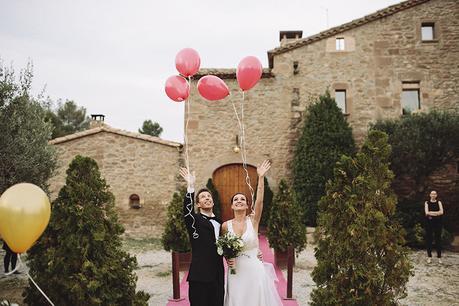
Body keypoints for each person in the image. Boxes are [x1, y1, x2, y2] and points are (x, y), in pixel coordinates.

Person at [222, 160, 282, 306]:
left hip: (254, 268)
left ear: (248, 205)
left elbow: (260, 201)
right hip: (236, 271)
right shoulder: (225, 226)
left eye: (242, 199)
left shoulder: (253, 221)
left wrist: (261, 178)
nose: (239, 201)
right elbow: (223, 248)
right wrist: (227, 258)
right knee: (237, 299)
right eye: (236, 199)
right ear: (232, 205)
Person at [179, 167, 224, 306]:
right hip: (200, 275)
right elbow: (187, 211)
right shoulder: (194, 220)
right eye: (203, 197)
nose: (207, 198)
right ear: (198, 204)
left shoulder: (220, 223)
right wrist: (190, 187)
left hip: (217, 275)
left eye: (209, 196)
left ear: (213, 201)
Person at [424, 190, 444, 264]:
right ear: (430, 195)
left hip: (438, 223)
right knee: (429, 240)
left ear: (436, 195)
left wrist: (431, 213)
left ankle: (439, 257)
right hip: (429, 223)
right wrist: (437, 213)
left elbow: (442, 212)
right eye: (432, 194)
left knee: (438, 240)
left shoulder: (439, 202)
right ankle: (429, 257)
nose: (433, 195)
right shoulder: (427, 203)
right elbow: (426, 213)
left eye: (434, 194)